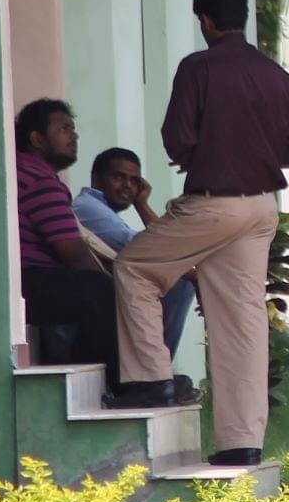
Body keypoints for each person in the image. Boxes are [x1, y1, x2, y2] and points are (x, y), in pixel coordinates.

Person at [107, 0, 289, 468]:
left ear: (206, 21)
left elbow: (177, 139)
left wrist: (200, 150)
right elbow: (288, 151)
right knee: (242, 320)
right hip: (261, 208)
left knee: (134, 267)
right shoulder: (277, 75)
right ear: (243, 16)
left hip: (214, 203)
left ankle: (150, 380)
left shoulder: (199, 67)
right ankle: (241, 442)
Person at [13, 98, 119, 386]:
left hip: (21, 281)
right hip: (29, 281)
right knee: (99, 290)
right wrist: (115, 286)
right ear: (37, 138)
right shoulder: (40, 181)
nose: (74, 135)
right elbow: (72, 252)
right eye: (64, 128)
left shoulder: (18, 171)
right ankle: (112, 383)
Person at [74, 147, 198, 359]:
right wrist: (195, 277)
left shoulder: (99, 208)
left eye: (134, 180)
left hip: (111, 299)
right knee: (179, 281)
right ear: (96, 179)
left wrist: (141, 203)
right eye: (119, 177)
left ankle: (157, 365)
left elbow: (161, 245)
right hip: (96, 300)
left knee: (179, 276)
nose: (127, 186)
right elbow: (154, 247)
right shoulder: (88, 207)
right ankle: (157, 367)